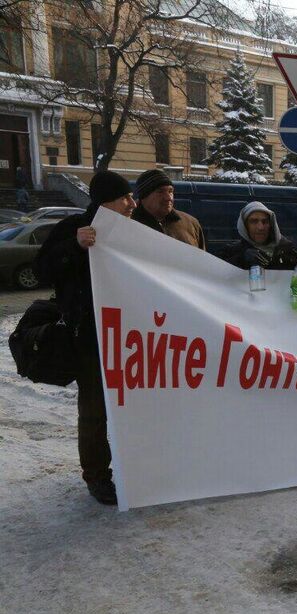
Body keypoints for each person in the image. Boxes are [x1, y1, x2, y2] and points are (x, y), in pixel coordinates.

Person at [35, 171, 138, 505]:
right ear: (106, 201)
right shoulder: (72, 229)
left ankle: (137, 466)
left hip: (131, 338)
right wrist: (75, 247)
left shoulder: (135, 232)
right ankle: (97, 476)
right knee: (95, 411)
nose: (131, 204)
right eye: (124, 198)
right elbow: (43, 270)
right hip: (91, 339)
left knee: (134, 405)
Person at [223, 201, 297, 272]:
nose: (260, 227)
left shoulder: (287, 249)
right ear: (245, 226)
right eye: (254, 221)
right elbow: (218, 280)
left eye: (265, 222)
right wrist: (240, 260)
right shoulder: (232, 251)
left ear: (271, 224)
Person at [131, 169, 206, 250]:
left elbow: (202, 260)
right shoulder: (129, 224)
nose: (168, 198)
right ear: (144, 196)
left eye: (170, 191)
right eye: (160, 192)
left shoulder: (191, 224)